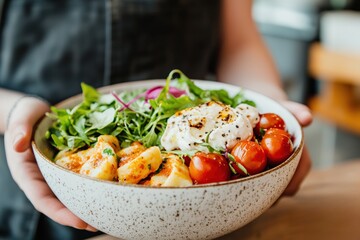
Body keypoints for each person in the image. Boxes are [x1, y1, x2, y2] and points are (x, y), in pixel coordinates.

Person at [0, 0, 312, 239]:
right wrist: (15, 112)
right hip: (36, 198)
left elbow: (240, 43)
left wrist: (273, 107)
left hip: (206, 212)